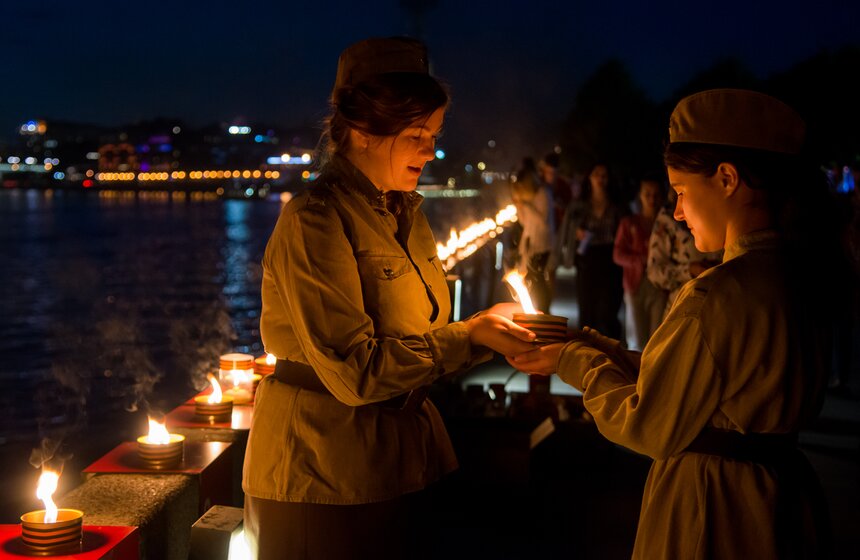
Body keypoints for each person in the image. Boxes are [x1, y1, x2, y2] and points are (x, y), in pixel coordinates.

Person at [509, 89, 845, 558]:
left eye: (683, 191)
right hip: (781, 500)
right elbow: (701, 385)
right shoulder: (798, 275)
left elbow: (648, 423)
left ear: (727, 178)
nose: (680, 211)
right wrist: (588, 344)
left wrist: (575, 361)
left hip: (716, 508)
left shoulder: (717, 294)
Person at [242, 37, 536, 560]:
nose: (430, 149)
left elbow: (418, 334)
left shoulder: (407, 214)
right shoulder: (315, 220)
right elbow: (355, 370)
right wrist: (468, 337)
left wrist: (485, 329)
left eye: (434, 134)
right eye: (417, 134)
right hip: (323, 476)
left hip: (401, 462)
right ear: (362, 130)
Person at [558, 162, 625, 339]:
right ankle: (586, 352)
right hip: (587, 257)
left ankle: (613, 353)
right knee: (587, 309)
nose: (600, 179)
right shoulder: (579, 204)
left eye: (604, 175)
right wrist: (576, 233)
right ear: (590, 177)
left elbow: (625, 229)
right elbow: (566, 230)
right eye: (597, 174)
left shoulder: (616, 204)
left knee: (608, 311)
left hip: (611, 258)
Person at [646, 188, 722, 317]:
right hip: (684, 310)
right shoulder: (669, 219)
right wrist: (689, 270)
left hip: (720, 306)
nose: (678, 214)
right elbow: (654, 271)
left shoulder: (720, 211)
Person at [613, 176, 666, 350]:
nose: (652, 199)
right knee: (636, 337)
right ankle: (636, 375)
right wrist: (638, 261)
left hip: (659, 285)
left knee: (657, 337)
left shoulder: (666, 224)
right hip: (635, 284)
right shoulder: (629, 223)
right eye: (647, 194)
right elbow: (617, 254)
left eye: (656, 194)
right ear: (640, 196)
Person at [511, 163, 554, 312]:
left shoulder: (543, 193)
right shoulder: (531, 198)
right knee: (533, 279)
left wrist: (526, 205)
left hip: (541, 244)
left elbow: (543, 221)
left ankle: (544, 310)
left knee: (538, 279)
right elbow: (525, 223)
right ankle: (537, 309)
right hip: (530, 243)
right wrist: (519, 207)